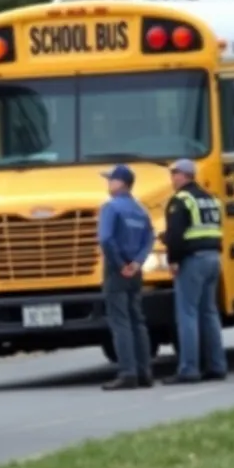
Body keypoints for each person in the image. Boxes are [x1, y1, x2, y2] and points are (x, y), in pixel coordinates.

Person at [162, 159, 227, 384]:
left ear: (184, 176)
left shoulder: (180, 200)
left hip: (192, 260)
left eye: (175, 174)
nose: (172, 179)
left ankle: (189, 369)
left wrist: (173, 259)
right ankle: (217, 365)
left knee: (187, 314)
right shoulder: (210, 199)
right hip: (213, 257)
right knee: (209, 313)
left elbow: (177, 234)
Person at [97, 164, 156, 390]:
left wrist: (121, 264)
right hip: (135, 271)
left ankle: (128, 372)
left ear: (120, 182)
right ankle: (145, 371)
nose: (108, 183)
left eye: (110, 179)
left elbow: (106, 239)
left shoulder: (110, 208)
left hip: (116, 270)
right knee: (137, 320)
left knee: (120, 321)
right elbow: (149, 238)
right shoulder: (140, 209)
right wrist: (137, 263)